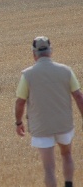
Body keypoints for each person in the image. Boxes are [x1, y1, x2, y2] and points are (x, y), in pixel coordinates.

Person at [14, 36, 83, 187]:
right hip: (64, 124)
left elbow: (20, 102)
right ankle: (69, 184)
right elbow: (78, 96)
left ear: (34, 54)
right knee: (67, 155)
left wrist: (18, 122)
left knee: (49, 168)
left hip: (42, 127)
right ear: (51, 51)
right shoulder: (66, 71)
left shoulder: (27, 75)